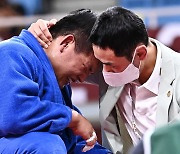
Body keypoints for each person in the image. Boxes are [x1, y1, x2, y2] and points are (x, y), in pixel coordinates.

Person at [29, 6, 180, 154]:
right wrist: (41, 37)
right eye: (100, 63)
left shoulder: (176, 75)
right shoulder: (110, 62)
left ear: (140, 54)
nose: (103, 72)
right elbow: (60, 61)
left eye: (109, 65)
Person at [0, 9, 112, 154]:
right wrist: (72, 118)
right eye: (86, 68)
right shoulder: (13, 52)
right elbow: (13, 115)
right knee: (47, 145)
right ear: (66, 43)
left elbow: (73, 141)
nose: (83, 79)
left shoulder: (59, 82)